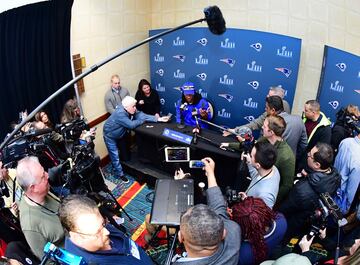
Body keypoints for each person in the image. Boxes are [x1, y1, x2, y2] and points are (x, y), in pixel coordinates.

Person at [173, 157, 241, 265]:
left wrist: (181, 186)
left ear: (180, 237)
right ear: (224, 233)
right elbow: (219, 206)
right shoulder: (233, 231)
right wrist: (210, 173)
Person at [60, 194, 153, 265]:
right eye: (97, 233)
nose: (107, 232)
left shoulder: (91, 227)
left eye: (103, 224)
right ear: (76, 236)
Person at [278, 143, 341, 239]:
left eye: (310, 155)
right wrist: (308, 176)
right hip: (307, 220)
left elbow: (284, 208)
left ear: (317, 165)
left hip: (290, 222)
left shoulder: (301, 191)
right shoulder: (335, 175)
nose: (307, 154)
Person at [103, 96, 169, 183]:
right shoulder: (120, 113)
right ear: (126, 107)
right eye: (133, 107)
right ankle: (120, 175)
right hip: (110, 135)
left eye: (135, 106)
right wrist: (141, 121)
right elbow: (131, 125)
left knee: (126, 158)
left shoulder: (130, 108)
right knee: (115, 155)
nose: (135, 108)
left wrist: (158, 119)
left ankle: (120, 165)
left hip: (121, 133)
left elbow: (142, 115)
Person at [16, 156, 64, 259]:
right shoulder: (30, 225)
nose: (47, 175)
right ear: (33, 188)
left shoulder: (44, 191)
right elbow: (47, 261)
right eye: (43, 176)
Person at [231, 197, 287, 265]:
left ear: (243, 227)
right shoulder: (281, 221)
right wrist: (248, 206)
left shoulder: (243, 254)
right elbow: (255, 217)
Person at [224, 86, 291, 136]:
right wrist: (235, 130)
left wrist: (235, 130)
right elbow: (255, 123)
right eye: (268, 94)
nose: (267, 96)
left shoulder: (283, 110)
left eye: (270, 96)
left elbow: (256, 124)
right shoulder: (279, 106)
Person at [260, 115, 295, 206]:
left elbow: (287, 185)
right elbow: (253, 147)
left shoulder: (287, 156)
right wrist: (229, 145)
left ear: (271, 132)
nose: (262, 127)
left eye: (264, 126)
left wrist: (270, 201)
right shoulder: (264, 140)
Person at [240, 141, 280, 209]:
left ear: (258, 165)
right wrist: (250, 162)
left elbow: (260, 217)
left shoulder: (266, 195)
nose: (249, 155)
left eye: (251, 156)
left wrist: (246, 202)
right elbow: (256, 175)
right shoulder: (273, 169)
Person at [334, 133, 360, 214]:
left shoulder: (345, 141)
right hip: (339, 202)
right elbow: (351, 193)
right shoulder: (358, 161)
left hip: (329, 186)